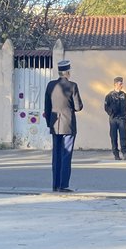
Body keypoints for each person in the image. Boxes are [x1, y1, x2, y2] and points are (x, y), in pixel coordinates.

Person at [43, 59, 83, 192]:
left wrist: (50, 123)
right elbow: (78, 107)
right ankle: (63, 185)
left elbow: (47, 108)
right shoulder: (73, 86)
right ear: (67, 72)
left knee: (56, 155)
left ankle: (55, 184)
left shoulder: (50, 85)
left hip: (55, 125)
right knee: (66, 155)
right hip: (68, 125)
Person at [104, 76, 126, 160]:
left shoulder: (124, 95)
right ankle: (116, 154)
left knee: (123, 136)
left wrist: (125, 115)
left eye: (122, 83)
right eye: (120, 83)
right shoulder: (109, 95)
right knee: (113, 136)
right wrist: (111, 113)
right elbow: (106, 107)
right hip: (113, 119)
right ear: (115, 84)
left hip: (122, 118)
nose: (122, 85)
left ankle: (125, 152)